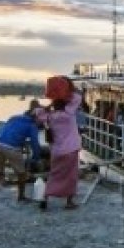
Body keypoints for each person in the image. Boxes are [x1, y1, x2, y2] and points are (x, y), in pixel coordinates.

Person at [37, 78, 82, 211]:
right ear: (65, 103)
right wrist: (69, 87)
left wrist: (48, 106)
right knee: (71, 176)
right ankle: (69, 202)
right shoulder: (68, 113)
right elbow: (77, 97)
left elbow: (37, 113)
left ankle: (45, 198)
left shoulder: (49, 117)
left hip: (56, 151)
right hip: (71, 150)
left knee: (54, 174)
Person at [0, 109, 42, 205]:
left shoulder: (14, 118)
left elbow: (1, 130)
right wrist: (36, 158)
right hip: (12, 147)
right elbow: (35, 143)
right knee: (21, 173)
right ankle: (21, 196)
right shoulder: (32, 125)